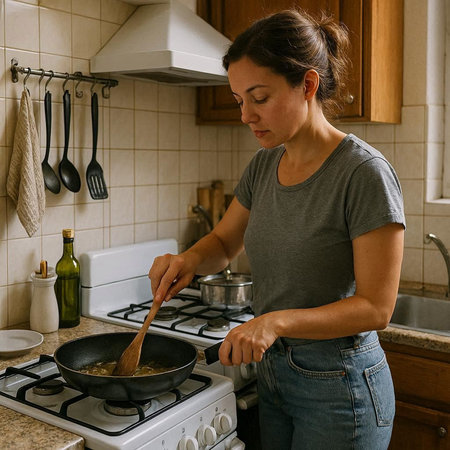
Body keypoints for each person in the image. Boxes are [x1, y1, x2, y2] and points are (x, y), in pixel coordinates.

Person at [149, 8, 405, 450]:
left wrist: (274, 322)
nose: (246, 114)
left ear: (307, 85)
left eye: (259, 97)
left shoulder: (363, 173)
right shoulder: (265, 165)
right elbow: (223, 242)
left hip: (340, 387)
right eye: (238, 100)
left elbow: (376, 309)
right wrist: (188, 259)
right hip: (275, 373)